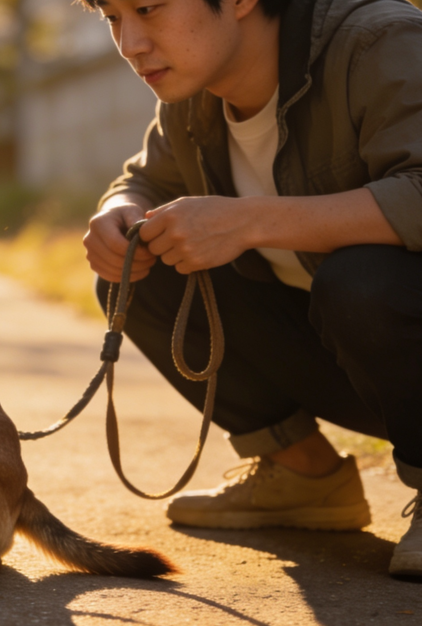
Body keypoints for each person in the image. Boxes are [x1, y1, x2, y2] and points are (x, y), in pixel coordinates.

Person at [79, 0, 422, 577]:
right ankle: (303, 473)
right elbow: (144, 180)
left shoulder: (383, 42)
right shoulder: (195, 94)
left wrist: (251, 220)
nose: (130, 43)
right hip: (365, 365)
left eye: (148, 8)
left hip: (391, 318)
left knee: (362, 279)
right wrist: (120, 211)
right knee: (143, 266)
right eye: (112, 17)